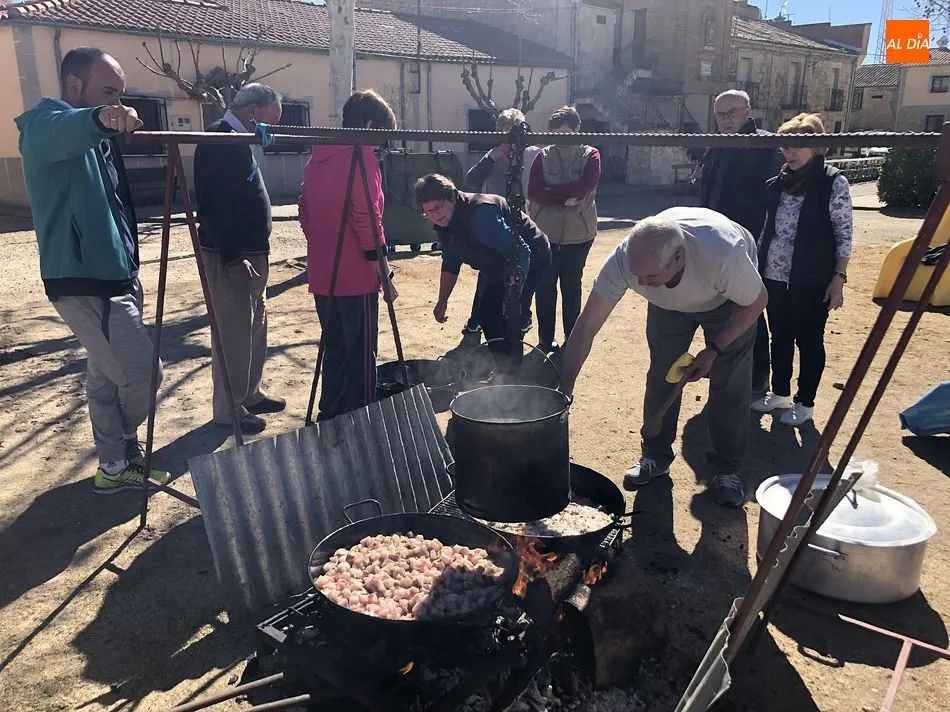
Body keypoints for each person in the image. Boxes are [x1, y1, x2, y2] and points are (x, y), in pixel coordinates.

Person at [15, 47, 170, 494]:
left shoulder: (96, 141)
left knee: (105, 380)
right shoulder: (44, 125)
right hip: (85, 282)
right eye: (108, 93)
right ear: (74, 86)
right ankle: (120, 447)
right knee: (143, 374)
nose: (117, 104)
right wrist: (101, 119)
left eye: (120, 95)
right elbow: (66, 128)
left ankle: (115, 465)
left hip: (118, 276)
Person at [559, 207, 767, 507]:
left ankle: (726, 469)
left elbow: (757, 301)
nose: (641, 283)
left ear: (679, 259)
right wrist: (566, 386)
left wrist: (714, 349)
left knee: (730, 381)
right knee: (662, 374)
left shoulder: (723, 255)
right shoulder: (627, 261)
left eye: (650, 275)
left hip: (728, 301)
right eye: (637, 274)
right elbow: (587, 326)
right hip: (668, 306)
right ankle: (655, 456)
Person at [299, 89, 398, 421]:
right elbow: (366, 216)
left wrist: (322, 243)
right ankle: (360, 417)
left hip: (323, 272)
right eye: (381, 136)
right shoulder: (360, 156)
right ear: (369, 124)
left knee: (335, 345)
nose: (381, 146)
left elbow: (305, 211)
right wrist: (382, 268)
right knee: (362, 352)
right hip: (356, 275)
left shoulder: (318, 156)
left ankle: (332, 410)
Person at [194, 83, 286, 435]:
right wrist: (232, 257)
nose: (271, 128)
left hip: (253, 253)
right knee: (232, 331)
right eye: (270, 119)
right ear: (252, 112)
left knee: (254, 327)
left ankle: (250, 393)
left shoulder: (241, 141)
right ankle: (228, 408)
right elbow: (212, 206)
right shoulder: (219, 141)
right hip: (231, 256)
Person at [752, 113, 853, 427]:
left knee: (809, 340)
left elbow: (843, 232)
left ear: (817, 147)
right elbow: (768, 228)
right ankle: (780, 393)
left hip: (811, 278)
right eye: (785, 145)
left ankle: (805, 402)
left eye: (798, 146)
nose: (790, 152)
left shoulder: (832, 183)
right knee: (779, 335)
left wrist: (838, 277)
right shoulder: (776, 184)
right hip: (774, 274)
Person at [699, 89, 783, 397]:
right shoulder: (717, 145)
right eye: (720, 114)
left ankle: (759, 375)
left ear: (748, 111)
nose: (726, 119)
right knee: (722, 305)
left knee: (749, 305)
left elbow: (776, 196)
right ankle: (726, 364)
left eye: (733, 112)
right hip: (714, 238)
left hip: (748, 240)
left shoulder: (765, 145)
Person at [416, 173, 551, 362]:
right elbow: (450, 263)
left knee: (510, 317)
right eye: (427, 211)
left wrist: (515, 295)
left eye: (438, 207)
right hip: (496, 265)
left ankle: (514, 375)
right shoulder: (445, 225)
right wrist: (442, 300)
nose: (434, 215)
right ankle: (502, 368)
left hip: (532, 257)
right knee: (487, 315)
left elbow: (521, 251)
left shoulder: (481, 215)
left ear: (452, 197)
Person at [528, 106, 601, 353]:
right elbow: (533, 192)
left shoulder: (591, 155)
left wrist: (551, 192)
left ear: (577, 129)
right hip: (544, 234)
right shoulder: (543, 155)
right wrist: (562, 199)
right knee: (544, 288)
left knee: (572, 287)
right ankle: (545, 340)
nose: (561, 137)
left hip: (578, 235)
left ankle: (572, 339)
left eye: (566, 131)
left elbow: (585, 186)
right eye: (556, 132)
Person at [462, 108, 540, 338]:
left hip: (523, 218)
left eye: (513, 132)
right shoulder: (492, 156)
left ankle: (523, 315)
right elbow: (471, 180)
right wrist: (493, 156)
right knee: (487, 272)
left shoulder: (532, 154)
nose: (508, 139)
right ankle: (477, 318)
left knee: (524, 268)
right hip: (494, 220)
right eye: (503, 132)